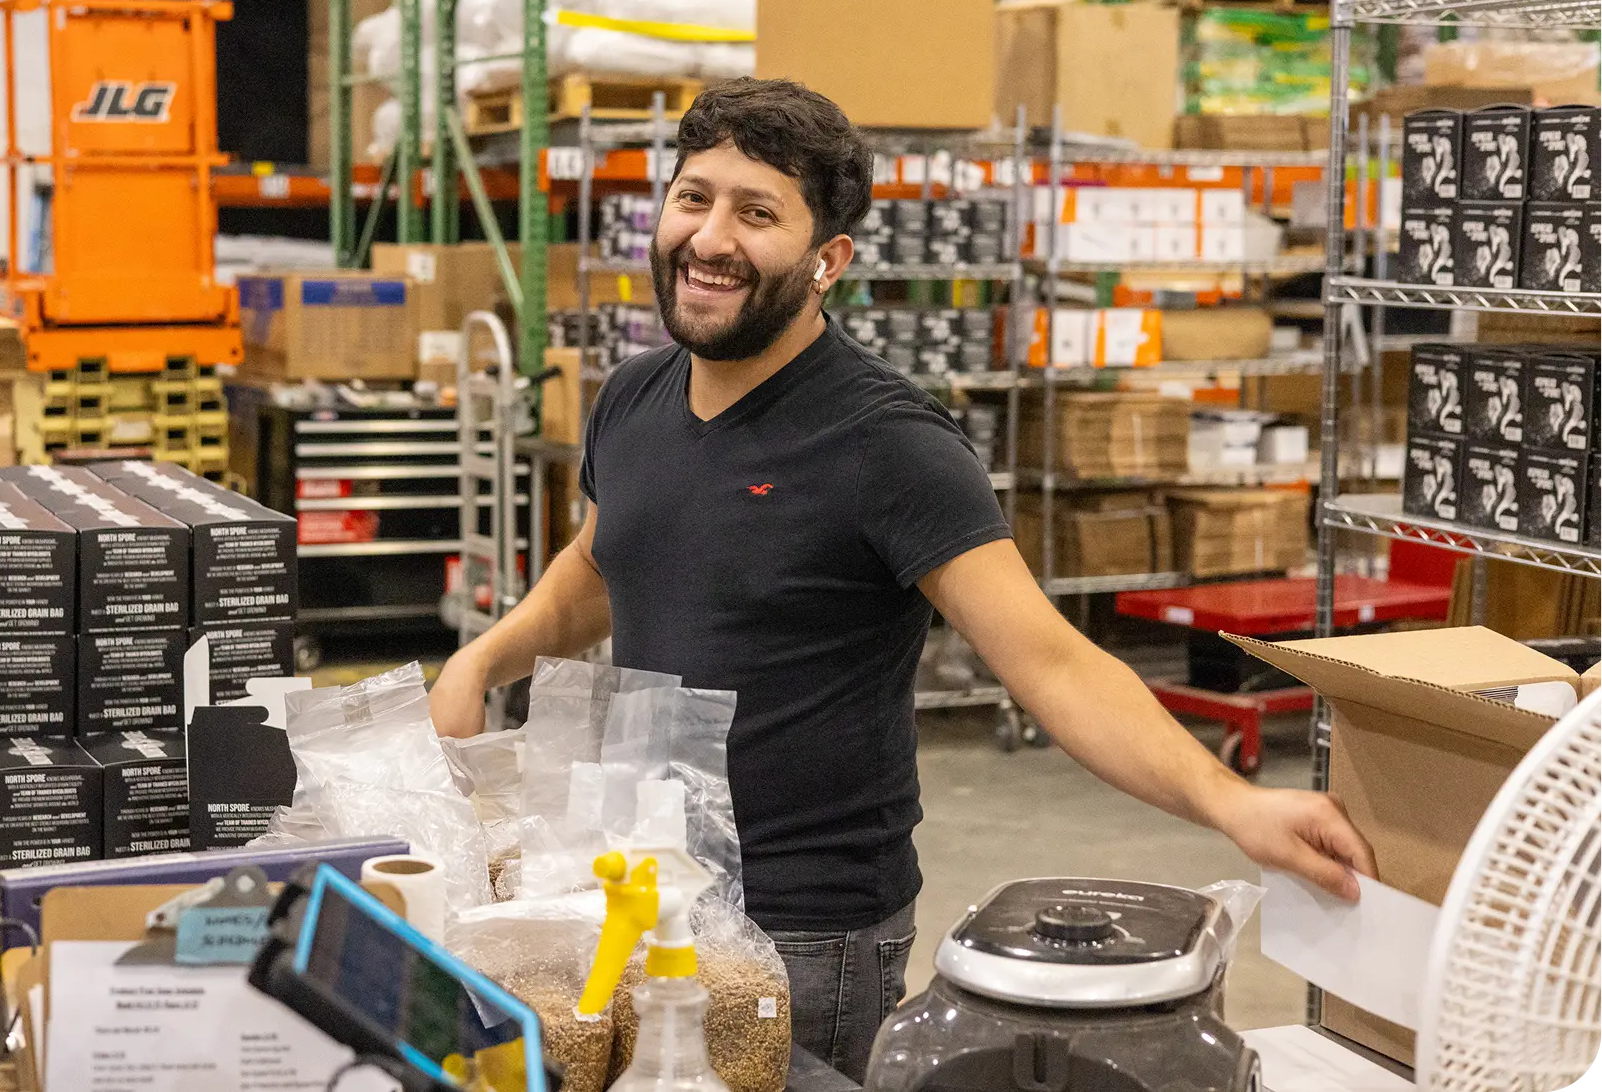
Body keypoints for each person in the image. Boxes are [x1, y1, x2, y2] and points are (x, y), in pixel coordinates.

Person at [430, 77, 1377, 1082]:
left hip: (803, 933)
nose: (709, 237)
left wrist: (1233, 803)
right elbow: (599, 564)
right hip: (643, 892)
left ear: (828, 259)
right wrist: (484, 655)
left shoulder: (890, 443)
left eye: (757, 214)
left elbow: (1050, 663)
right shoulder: (634, 395)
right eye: (693, 197)